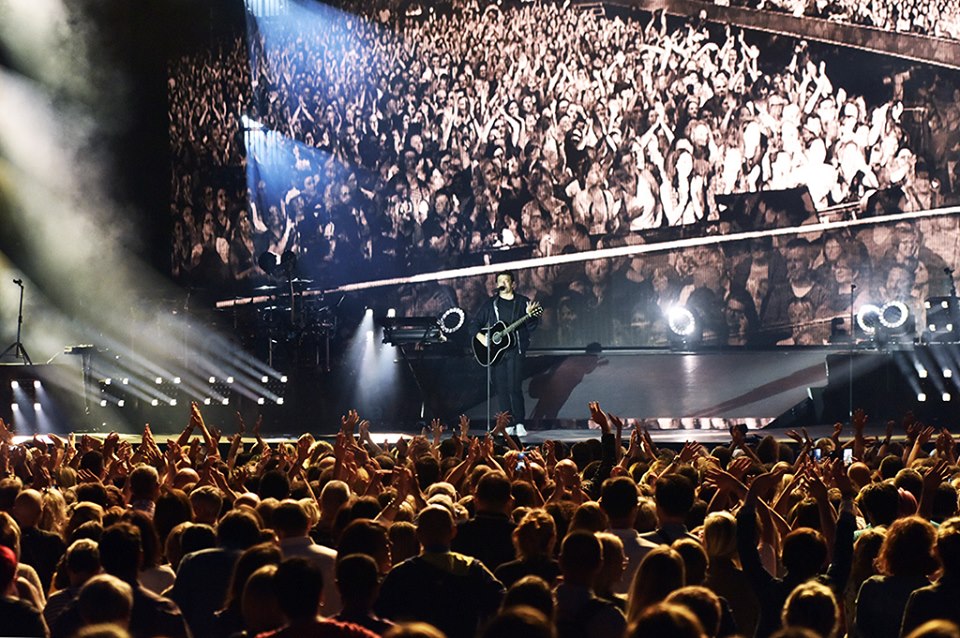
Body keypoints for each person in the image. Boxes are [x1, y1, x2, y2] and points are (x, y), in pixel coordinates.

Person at [468, 271, 540, 430]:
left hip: (516, 351)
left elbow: (532, 327)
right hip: (496, 353)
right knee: (501, 389)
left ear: (513, 284)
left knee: (514, 387)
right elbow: (474, 325)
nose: (502, 284)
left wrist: (531, 316)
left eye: (506, 281)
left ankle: (520, 423)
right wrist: (481, 337)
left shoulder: (522, 302)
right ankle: (507, 424)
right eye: (499, 281)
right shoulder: (491, 304)